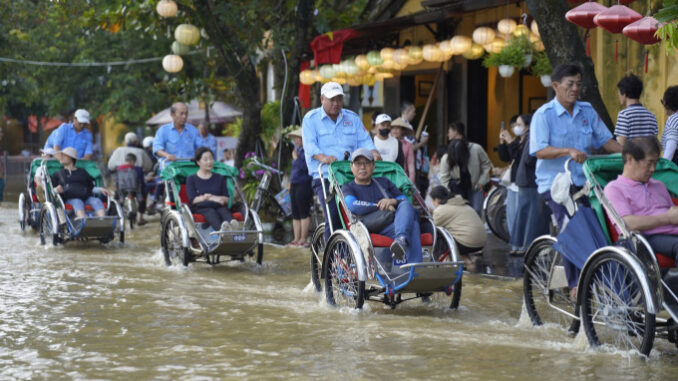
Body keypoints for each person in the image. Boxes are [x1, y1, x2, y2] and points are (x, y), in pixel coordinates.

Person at [530, 63, 622, 293]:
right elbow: (539, 150)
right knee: (572, 227)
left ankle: (604, 276)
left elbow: (606, 141)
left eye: (578, 84)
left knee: (604, 224)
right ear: (556, 86)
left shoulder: (587, 110)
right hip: (556, 186)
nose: (575, 89)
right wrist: (568, 150)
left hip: (587, 183)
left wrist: (632, 153)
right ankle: (575, 286)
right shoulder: (544, 115)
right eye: (570, 84)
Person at [302, 81, 381, 241]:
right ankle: (331, 260)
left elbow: (364, 141)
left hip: (352, 175)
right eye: (332, 99)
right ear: (322, 99)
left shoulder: (352, 118)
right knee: (334, 215)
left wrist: (373, 152)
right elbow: (310, 146)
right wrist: (323, 157)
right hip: (325, 176)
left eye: (339, 99)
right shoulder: (311, 119)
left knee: (362, 211)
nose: (336, 103)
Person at [341, 148, 422, 264]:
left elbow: (404, 200)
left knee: (408, 214)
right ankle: (413, 269)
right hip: (367, 225)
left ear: (373, 166)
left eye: (367, 163)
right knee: (411, 224)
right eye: (358, 164)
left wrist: (392, 201)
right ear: (351, 166)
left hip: (392, 223)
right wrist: (380, 205)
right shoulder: (348, 187)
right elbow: (353, 205)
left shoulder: (383, 181)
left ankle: (401, 243)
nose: (362, 167)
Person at [604, 137, 678, 262]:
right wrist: (668, 218)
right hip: (648, 237)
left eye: (655, 163)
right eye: (649, 163)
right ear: (630, 159)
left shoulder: (659, 185)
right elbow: (628, 223)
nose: (653, 169)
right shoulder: (614, 189)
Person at [514, 114, 551, 253]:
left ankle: (519, 245)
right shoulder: (534, 137)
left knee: (524, 212)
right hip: (531, 180)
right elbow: (530, 159)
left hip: (523, 179)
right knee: (533, 214)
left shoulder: (528, 137)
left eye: (519, 125)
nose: (516, 128)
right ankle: (528, 245)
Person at [439, 122, 492, 214]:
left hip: (475, 186)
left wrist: (482, 182)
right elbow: (444, 177)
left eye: (449, 131)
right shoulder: (447, 156)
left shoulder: (475, 148)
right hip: (456, 189)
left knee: (476, 212)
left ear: (455, 132)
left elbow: (487, 165)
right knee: (459, 214)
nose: (448, 134)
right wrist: (449, 191)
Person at [185, 147, 238, 235]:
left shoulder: (219, 177)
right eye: (205, 159)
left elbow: (226, 198)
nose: (209, 162)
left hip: (218, 206)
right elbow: (193, 200)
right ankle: (222, 232)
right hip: (201, 207)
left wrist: (214, 198)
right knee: (211, 212)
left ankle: (233, 227)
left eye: (211, 158)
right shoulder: (191, 179)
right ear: (198, 162)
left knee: (224, 211)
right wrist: (207, 198)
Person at [51, 147, 110, 219]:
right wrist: (56, 190)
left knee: (96, 201)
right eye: (61, 155)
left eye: (64, 155)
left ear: (71, 158)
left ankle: (102, 223)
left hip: (86, 197)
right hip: (70, 199)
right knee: (77, 202)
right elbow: (52, 192)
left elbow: (90, 187)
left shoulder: (82, 171)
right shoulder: (58, 174)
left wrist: (101, 189)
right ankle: (84, 223)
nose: (61, 157)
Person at [429, 186, 486, 255]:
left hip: (468, 243)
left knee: (438, 238)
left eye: (431, 201)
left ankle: (453, 262)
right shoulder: (461, 203)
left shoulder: (441, 210)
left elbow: (433, 227)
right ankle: (466, 259)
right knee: (457, 232)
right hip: (481, 242)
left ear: (437, 200)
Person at [497, 115, 523, 254]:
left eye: (518, 125)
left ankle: (522, 247)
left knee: (519, 216)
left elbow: (518, 156)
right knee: (511, 216)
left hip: (522, 184)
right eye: (513, 126)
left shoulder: (525, 141)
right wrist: (502, 142)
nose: (515, 128)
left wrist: (511, 141)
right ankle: (515, 245)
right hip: (512, 184)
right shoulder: (515, 141)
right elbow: (505, 157)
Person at [153, 102, 201, 169]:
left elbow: (201, 148)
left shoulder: (193, 130)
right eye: (181, 113)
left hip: (189, 169)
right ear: (172, 114)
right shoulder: (163, 131)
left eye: (186, 113)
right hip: (170, 169)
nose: (184, 116)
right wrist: (167, 155)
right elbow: (157, 149)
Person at [614, 74, 658, 146]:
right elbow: (654, 142)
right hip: (647, 156)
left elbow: (621, 144)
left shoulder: (624, 115)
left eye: (619, 94)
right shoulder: (652, 116)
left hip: (630, 156)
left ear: (624, 94)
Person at [287, 128, 313, 247]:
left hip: (304, 184)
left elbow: (305, 167)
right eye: (296, 138)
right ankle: (296, 238)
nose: (297, 141)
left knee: (303, 211)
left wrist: (296, 158)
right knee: (295, 212)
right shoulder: (297, 150)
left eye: (299, 138)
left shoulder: (308, 151)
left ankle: (303, 238)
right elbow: (295, 170)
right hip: (295, 183)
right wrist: (290, 182)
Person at [401, 101, 430, 196]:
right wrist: (422, 143)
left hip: (414, 165)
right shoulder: (402, 127)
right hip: (408, 166)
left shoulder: (408, 126)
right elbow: (409, 148)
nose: (415, 114)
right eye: (413, 111)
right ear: (407, 111)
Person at [116, 153, 148, 226]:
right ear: (134, 161)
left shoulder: (119, 168)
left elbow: (117, 181)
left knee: (118, 200)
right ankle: (140, 218)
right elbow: (141, 182)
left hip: (122, 190)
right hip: (135, 190)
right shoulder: (138, 169)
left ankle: (119, 216)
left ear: (125, 160)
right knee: (143, 198)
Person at [390, 117, 416, 183]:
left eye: (398, 128)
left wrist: (411, 181)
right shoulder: (386, 143)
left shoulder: (408, 145)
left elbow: (410, 164)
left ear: (402, 130)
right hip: (388, 176)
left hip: (402, 178)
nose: (395, 130)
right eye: (393, 128)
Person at [660, 86, 678, 164]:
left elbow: (671, 147)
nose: (665, 112)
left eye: (666, 107)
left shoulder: (673, 119)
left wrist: (664, 166)